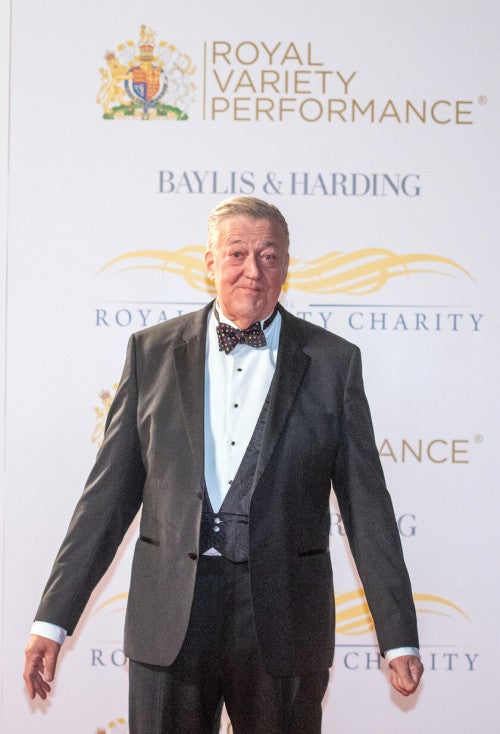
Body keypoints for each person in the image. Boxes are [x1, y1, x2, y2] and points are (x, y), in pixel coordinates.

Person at [24, 196, 423, 733]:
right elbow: (106, 499)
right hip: (169, 618)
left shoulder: (334, 363)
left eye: (269, 256)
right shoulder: (151, 353)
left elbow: (367, 508)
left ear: (286, 265)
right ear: (210, 261)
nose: (253, 270)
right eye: (237, 253)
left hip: (285, 620)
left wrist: (398, 636)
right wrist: (52, 620)